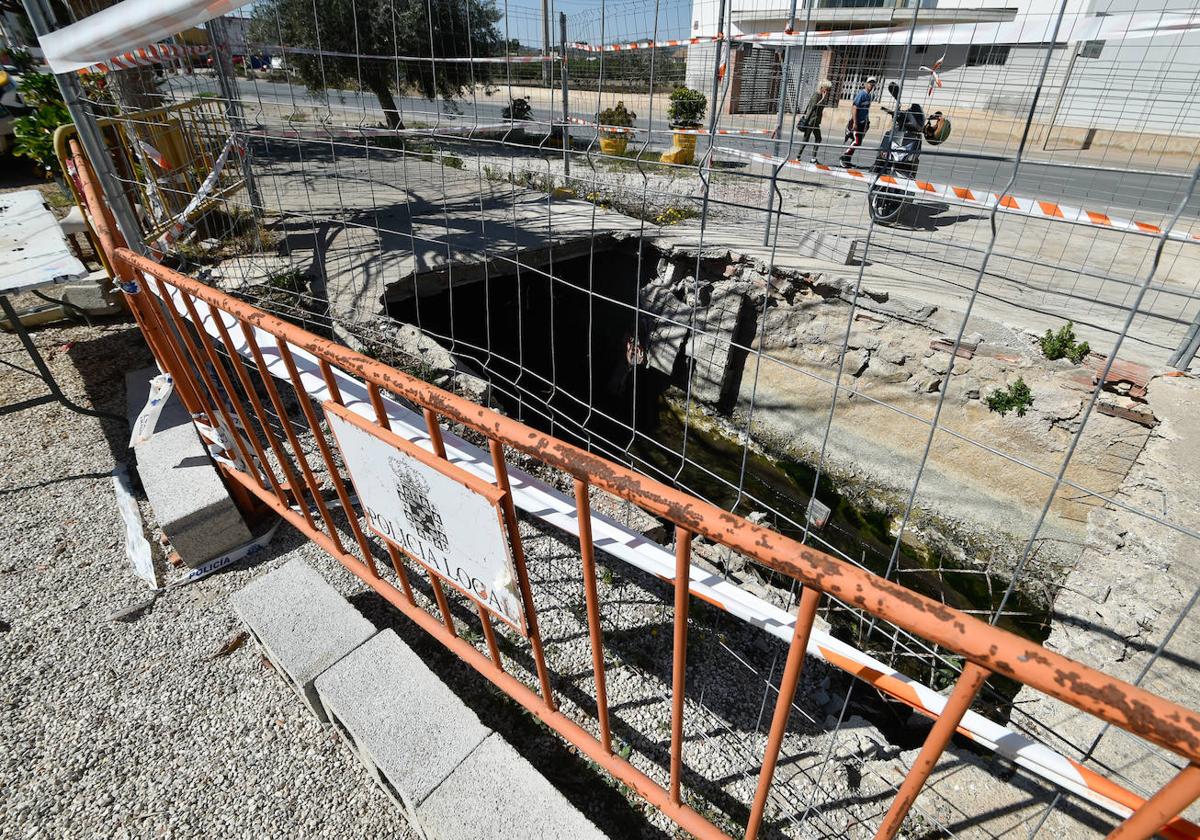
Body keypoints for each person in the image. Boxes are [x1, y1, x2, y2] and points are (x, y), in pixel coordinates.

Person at [839, 76, 876, 167]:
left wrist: (867, 121)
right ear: (866, 84)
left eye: (873, 83)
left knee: (857, 142)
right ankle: (844, 157)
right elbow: (854, 108)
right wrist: (855, 122)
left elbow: (866, 110)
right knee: (857, 141)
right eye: (870, 83)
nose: (871, 85)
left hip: (863, 122)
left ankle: (847, 160)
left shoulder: (869, 96)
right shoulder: (861, 94)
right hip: (857, 122)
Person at [796, 79, 832, 163]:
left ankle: (812, 158)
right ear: (822, 88)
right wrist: (806, 121)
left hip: (816, 121)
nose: (828, 91)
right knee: (806, 138)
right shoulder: (816, 95)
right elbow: (811, 108)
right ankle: (798, 156)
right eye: (827, 89)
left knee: (818, 138)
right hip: (811, 121)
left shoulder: (821, 96)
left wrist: (824, 98)